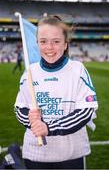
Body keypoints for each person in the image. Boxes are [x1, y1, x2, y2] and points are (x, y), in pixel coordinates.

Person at [14, 15, 98, 169]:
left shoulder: (77, 70)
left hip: (70, 154)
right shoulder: (29, 73)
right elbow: (20, 108)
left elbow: (86, 111)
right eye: (43, 41)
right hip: (35, 154)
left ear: (65, 44)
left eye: (56, 41)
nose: (49, 47)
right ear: (37, 43)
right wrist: (30, 119)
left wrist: (49, 128)